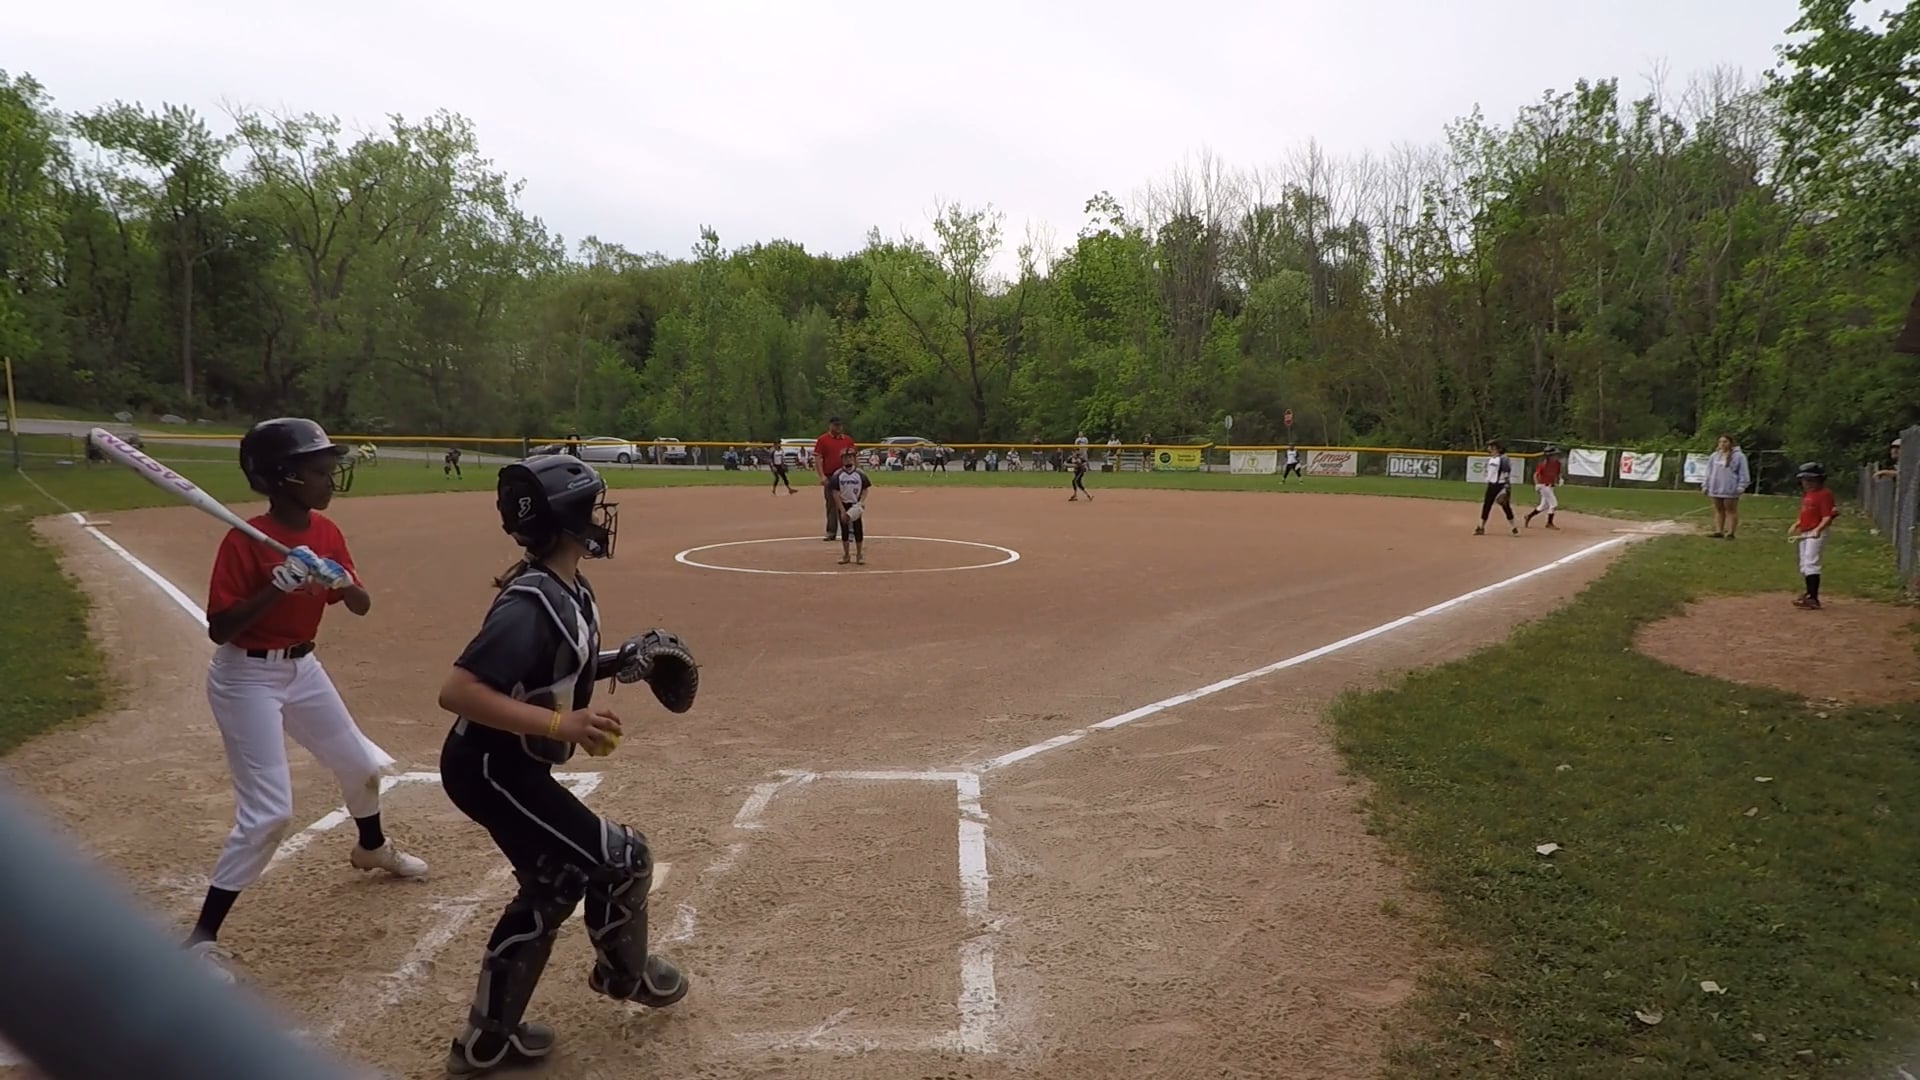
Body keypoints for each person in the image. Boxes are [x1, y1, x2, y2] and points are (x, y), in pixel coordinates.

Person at [436, 455, 693, 1076]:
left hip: (504, 765)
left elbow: (555, 666)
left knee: (554, 880)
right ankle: (624, 975)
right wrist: (563, 725)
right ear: (569, 517)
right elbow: (459, 691)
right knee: (623, 859)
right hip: (492, 769)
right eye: (593, 505)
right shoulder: (529, 603)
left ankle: (489, 1039)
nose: (602, 516)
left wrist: (620, 662)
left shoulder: (567, 588)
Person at [186, 418, 427, 981]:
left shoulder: (326, 531)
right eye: (319, 471)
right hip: (246, 677)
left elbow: (361, 604)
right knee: (270, 813)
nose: (330, 480)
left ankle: (371, 847)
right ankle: (201, 938)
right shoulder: (244, 540)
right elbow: (221, 629)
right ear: (284, 478)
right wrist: (278, 585)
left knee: (362, 765)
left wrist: (340, 580)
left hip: (302, 668)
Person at [1788, 461, 1837, 610]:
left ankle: (1813, 598)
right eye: (1805, 480)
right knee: (1804, 564)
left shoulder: (1824, 494)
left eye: (1811, 480)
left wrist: (1818, 529)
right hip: (1805, 531)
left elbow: (1827, 517)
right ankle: (1809, 592)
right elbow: (1806, 513)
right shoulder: (1809, 494)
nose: (1807, 483)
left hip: (1816, 532)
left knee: (1811, 562)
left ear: (1820, 480)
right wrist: (1797, 524)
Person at [813, 417, 856, 542]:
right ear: (830, 426)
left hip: (846, 475)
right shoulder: (823, 440)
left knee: (848, 503)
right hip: (831, 475)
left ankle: (849, 531)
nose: (838, 428)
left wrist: (855, 473)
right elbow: (818, 459)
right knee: (831, 504)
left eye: (839, 425)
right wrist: (822, 476)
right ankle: (831, 531)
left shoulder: (847, 440)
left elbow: (854, 457)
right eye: (835, 425)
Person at [1700, 434, 1750, 539]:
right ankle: (1719, 531)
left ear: (1731, 443)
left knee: (1730, 510)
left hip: (1730, 488)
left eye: (1725, 442)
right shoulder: (1714, 456)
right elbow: (1708, 472)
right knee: (1719, 510)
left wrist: (1742, 485)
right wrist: (1705, 485)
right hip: (1715, 487)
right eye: (1720, 442)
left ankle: (1731, 532)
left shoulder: (1739, 456)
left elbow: (1743, 472)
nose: (1722, 444)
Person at [831, 447, 871, 566]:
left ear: (854, 458)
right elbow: (835, 493)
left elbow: (865, 489)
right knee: (845, 530)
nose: (848, 460)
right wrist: (842, 509)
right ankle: (846, 554)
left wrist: (861, 502)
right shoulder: (838, 474)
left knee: (858, 529)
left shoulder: (860, 474)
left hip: (855, 505)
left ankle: (859, 554)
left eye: (850, 457)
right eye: (845, 458)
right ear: (841, 459)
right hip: (844, 504)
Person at [1475, 440, 1517, 535]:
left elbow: (1506, 472)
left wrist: (1507, 485)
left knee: (1505, 506)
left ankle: (1513, 527)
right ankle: (1481, 527)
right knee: (1487, 505)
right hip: (1491, 485)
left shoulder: (1504, 458)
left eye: (1490, 446)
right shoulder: (1491, 459)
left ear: (1494, 447)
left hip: (1501, 485)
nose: (1488, 448)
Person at [1524, 445, 1562, 529]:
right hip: (1543, 485)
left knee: (1543, 506)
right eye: (1554, 455)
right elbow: (1536, 475)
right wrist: (1537, 484)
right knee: (1553, 504)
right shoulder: (1543, 464)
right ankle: (1549, 523)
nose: (1556, 456)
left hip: (1550, 486)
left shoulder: (1557, 464)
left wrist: (1559, 480)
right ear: (1549, 456)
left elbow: (1557, 474)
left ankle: (1528, 516)